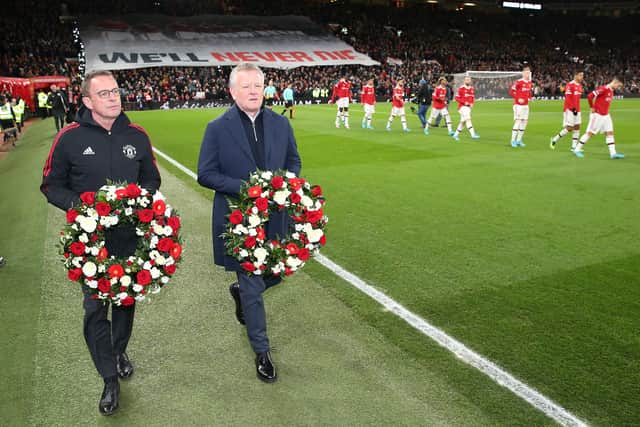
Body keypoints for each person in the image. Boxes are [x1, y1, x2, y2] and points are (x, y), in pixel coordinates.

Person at [40, 70, 161, 416]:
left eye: (115, 91)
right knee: (95, 309)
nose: (113, 97)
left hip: (129, 238)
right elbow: (51, 185)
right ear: (88, 101)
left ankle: (119, 350)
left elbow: (151, 179)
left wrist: (138, 201)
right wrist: (83, 208)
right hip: (89, 242)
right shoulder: (69, 137)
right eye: (104, 93)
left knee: (125, 299)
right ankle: (109, 377)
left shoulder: (137, 135)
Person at [197, 63, 301, 384]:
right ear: (232, 91)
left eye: (258, 85)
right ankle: (262, 352)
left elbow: (293, 161)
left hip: (276, 215)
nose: (254, 91)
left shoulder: (281, 124)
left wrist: (286, 183)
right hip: (239, 219)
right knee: (253, 283)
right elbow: (206, 174)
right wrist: (247, 190)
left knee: (277, 274)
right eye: (247, 86)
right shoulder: (217, 127)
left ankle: (241, 293)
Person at [573, 77, 624, 159]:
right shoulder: (604, 89)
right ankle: (577, 149)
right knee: (590, 133)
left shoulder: (611, 90)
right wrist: (591, 107)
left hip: (606, 115)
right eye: (618, 86)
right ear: (614, 82)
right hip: (597, 115)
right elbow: (590, 96)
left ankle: (613, 153)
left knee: (609, 133)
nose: (618, 88)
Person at [550, 71, 584, 150]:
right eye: (580, 75)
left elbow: (576, 99)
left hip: (577, 109)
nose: (582, 77)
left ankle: (574, 147)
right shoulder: (570, 85)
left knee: (577, 127)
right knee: (569, 128)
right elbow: (568, 99)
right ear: (575, 76)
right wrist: (573, 109)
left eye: (582, 75)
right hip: (570, 109)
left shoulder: (579, 86)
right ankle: (554, 139)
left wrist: (577, 109)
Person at [509, 66, 533, 147]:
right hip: (518, 105)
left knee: (524, 122)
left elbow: (528, 93)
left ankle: (519, 140)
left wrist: (530, 98)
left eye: (529, 73)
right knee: (518, 121)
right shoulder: (519, 82)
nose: (527, 74)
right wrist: (518, 98)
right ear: (523, 73)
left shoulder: (529, 83)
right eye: (526, 73)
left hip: (526, 105)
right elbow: (512, 91)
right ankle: (513, 141)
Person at [452, 75, 480, 141]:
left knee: (463, 122)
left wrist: (472, 103)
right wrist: (465, 102)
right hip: (462, 107)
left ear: (470, 81)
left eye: (468, 79)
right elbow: (456, 98)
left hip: (468, 108)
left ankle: (455, 135)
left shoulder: (471, 89)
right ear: (464, 81)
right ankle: (473, 134)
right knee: (468, 119)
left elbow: (472, 97)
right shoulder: (461, 88)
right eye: (466, 79)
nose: (467, 81)